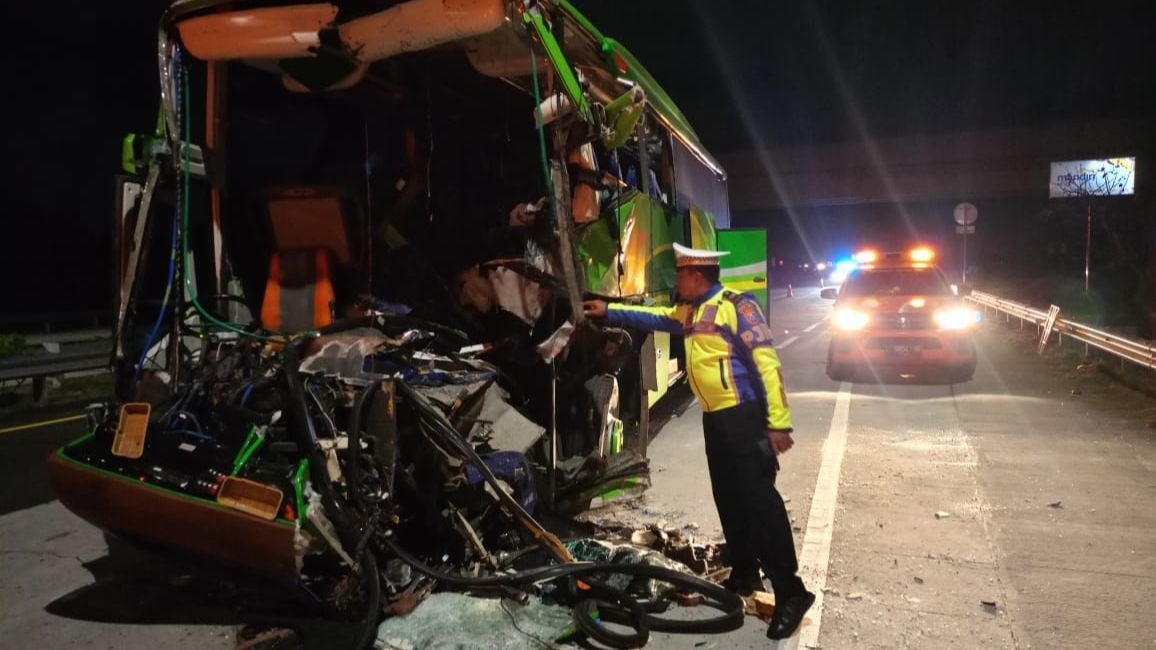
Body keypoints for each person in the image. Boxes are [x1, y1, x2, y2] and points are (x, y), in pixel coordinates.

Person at [583, 242, 815, 640]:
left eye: (680, 275)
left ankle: (792, 593)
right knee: (729, 498)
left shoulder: (737, 307)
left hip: (744, 417)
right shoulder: (690, 312)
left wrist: (778, 422)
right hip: (715, 421)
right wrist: (608, 311)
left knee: (761, 504)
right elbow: (653, 316)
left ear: (696, 276)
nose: (676, 282)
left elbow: (767, 362)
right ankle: (744, 575)